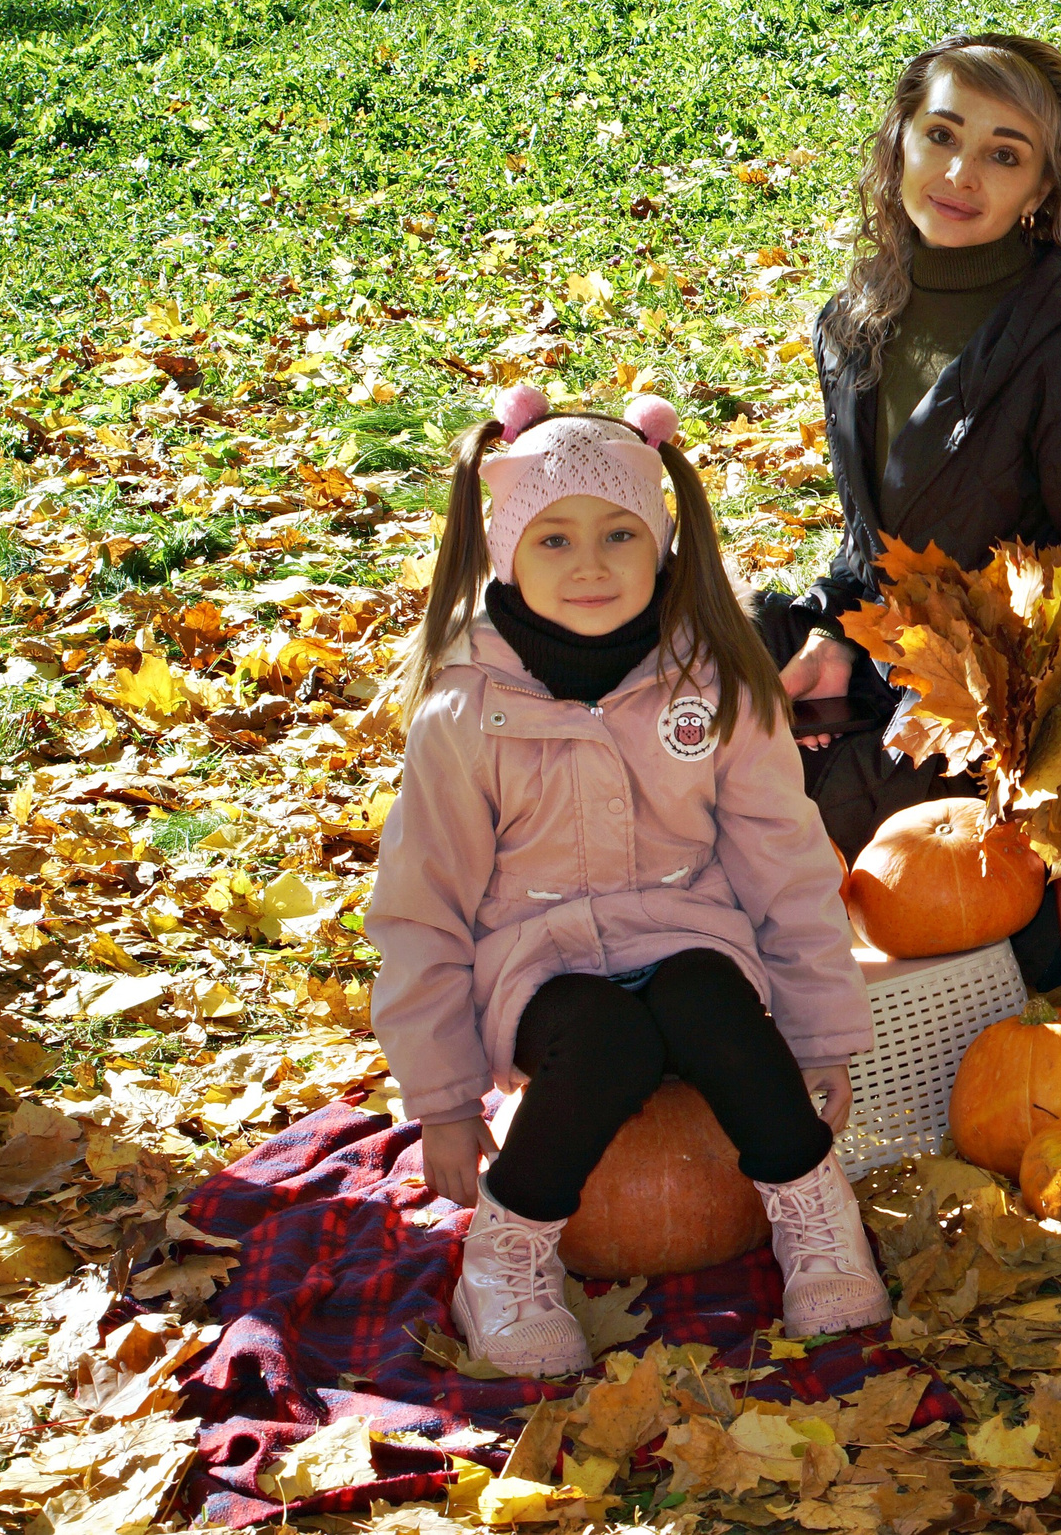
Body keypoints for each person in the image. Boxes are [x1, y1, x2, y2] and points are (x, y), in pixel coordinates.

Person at [371, 385, 887, 1379]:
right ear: (505, 550)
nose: (592, 564)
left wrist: (821, 1035)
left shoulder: (716, 685)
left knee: (709, 1000)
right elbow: (420, 911)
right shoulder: (466, 713)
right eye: (553, 539)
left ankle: (815, 1210)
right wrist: (440, 1100)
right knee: (605, 1038)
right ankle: (508, 1252)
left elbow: (782, 863)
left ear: (662, 543)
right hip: (536, 966)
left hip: (689, 935)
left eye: (619, 534)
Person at [763, 34, 1061, 884]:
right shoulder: (854, 321)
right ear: (900, 137)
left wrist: (949, 694)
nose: (959, 175)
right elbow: (871, 539)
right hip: (891, 656)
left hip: (1014, 707)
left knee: (802, 810)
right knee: (712, 658)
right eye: (941, 135)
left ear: (1041, 189)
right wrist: (833, 631)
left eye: (1002, 155)